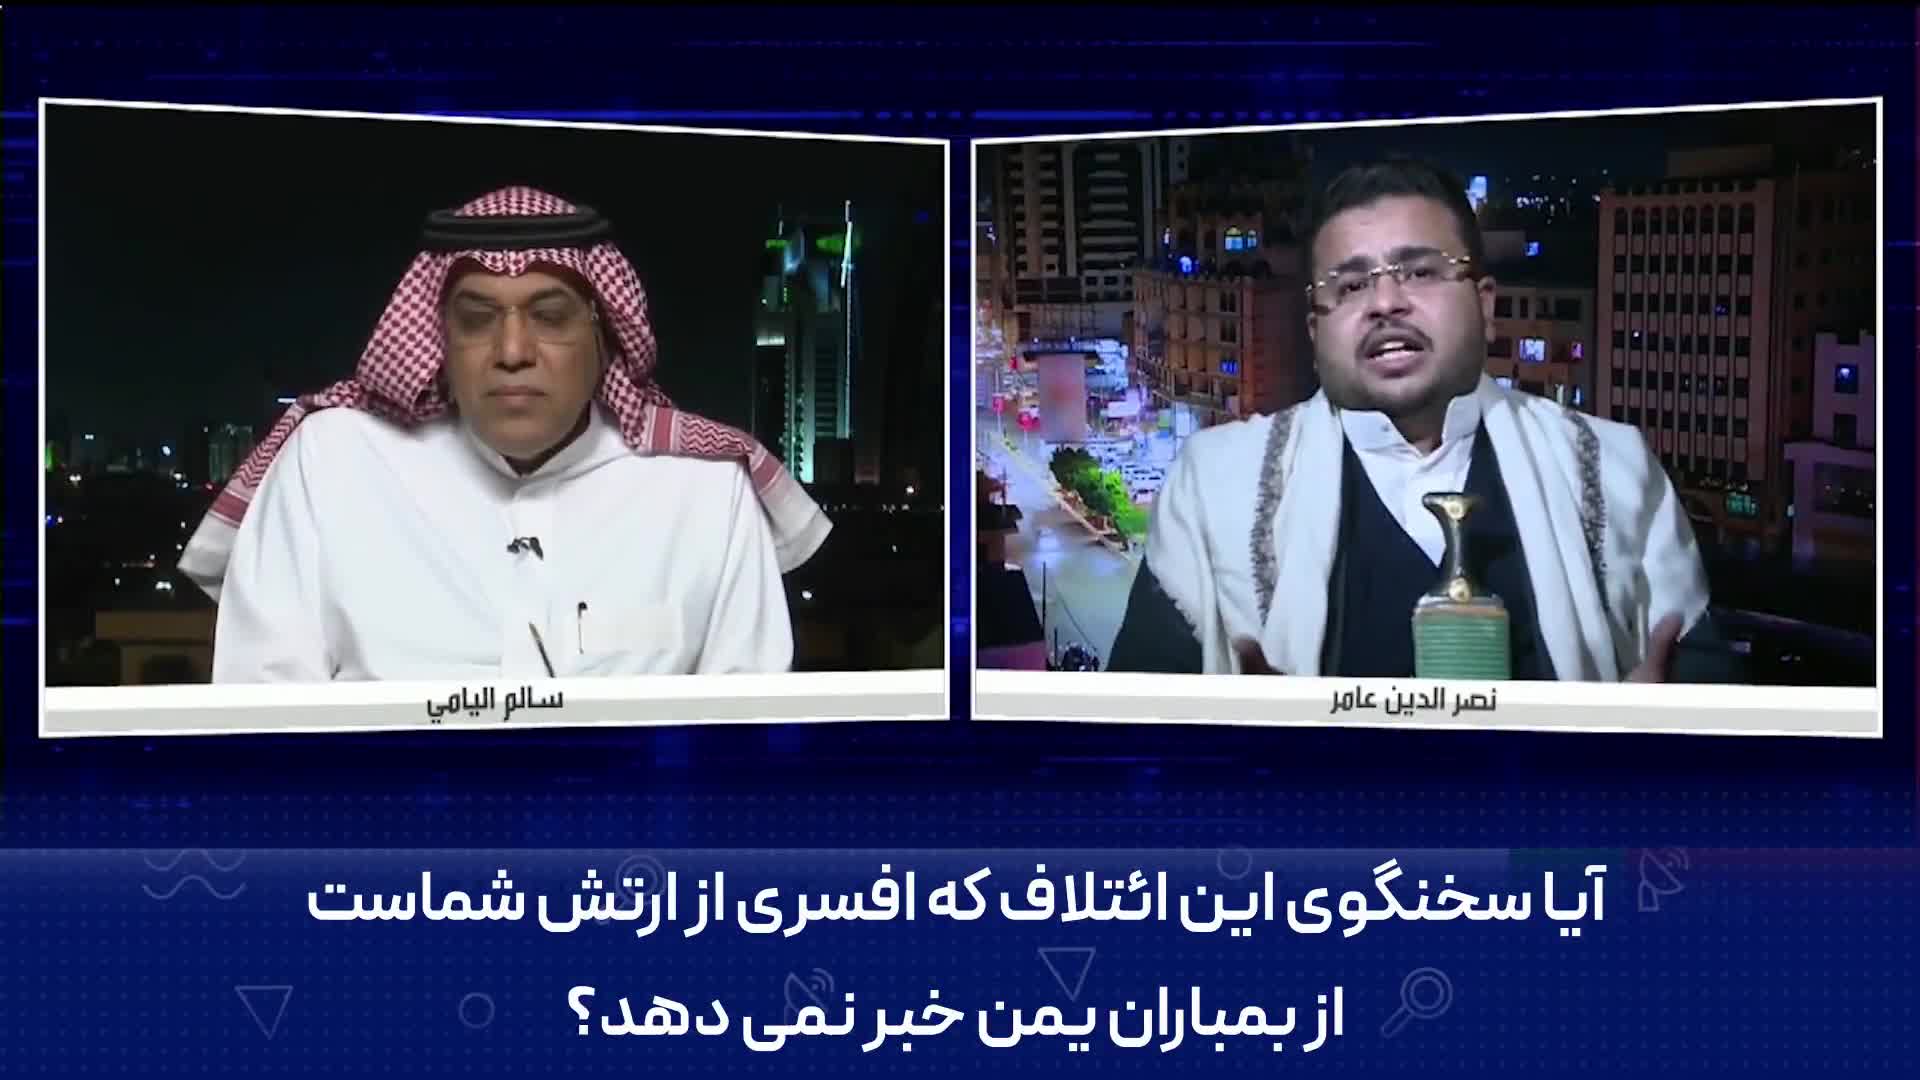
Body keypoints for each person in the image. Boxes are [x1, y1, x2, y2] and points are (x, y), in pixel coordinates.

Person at [1109, 158, 1744, 683]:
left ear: (1485, 307)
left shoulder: (1615, 471)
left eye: (1420, 271)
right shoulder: (1215, 487)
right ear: (1315, 332)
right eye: (1349, 286)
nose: (1385, 301)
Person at [179, 186, 830, 682]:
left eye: (550, 317)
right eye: (477, 320)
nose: (512, 352)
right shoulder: (330, 463)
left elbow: (745, 742)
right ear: (440, 338)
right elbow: (265, 720)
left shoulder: (708, 495)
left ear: (604, 337)